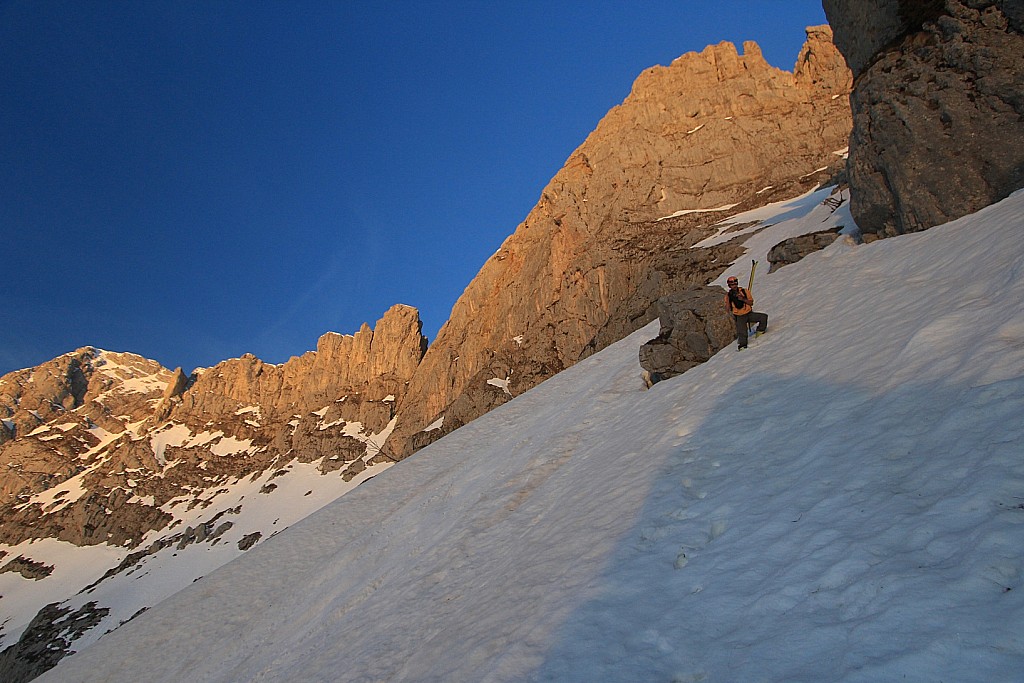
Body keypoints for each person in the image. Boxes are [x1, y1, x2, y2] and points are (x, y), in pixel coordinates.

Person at [724, 275, 768, 350]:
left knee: (763, 317)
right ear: (729, 285)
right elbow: (727, 308)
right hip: (739, 316)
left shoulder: (744, 291)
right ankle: (742, 346)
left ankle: (760, 331)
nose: (734, 286)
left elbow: (751, 303)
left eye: (735, 284)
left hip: (749, 313)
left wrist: (743, 299)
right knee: (742, 332)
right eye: (732, 284)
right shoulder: (728, 296)